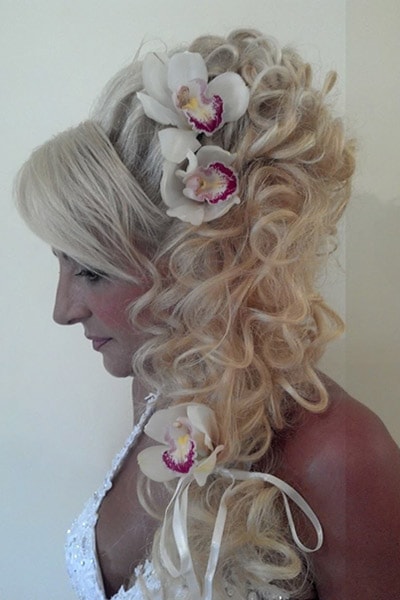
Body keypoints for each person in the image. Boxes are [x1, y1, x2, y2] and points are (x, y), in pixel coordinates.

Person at [15, 28, 400, 600]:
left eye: (91, 271)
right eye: (61, 264)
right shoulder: (157, 390)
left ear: (196, 264)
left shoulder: (340, 455)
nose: (61, 310)